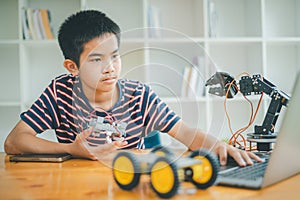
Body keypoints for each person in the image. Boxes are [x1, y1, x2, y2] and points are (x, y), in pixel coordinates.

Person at [4, 10, 262, 166]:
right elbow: (14, 142)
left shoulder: (138, 95)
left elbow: (187, 133)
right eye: (96, 59)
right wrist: (72, 149)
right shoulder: (59, 93)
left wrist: (220, 146)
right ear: (72, 67)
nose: (110, 68)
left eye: (114, 56)